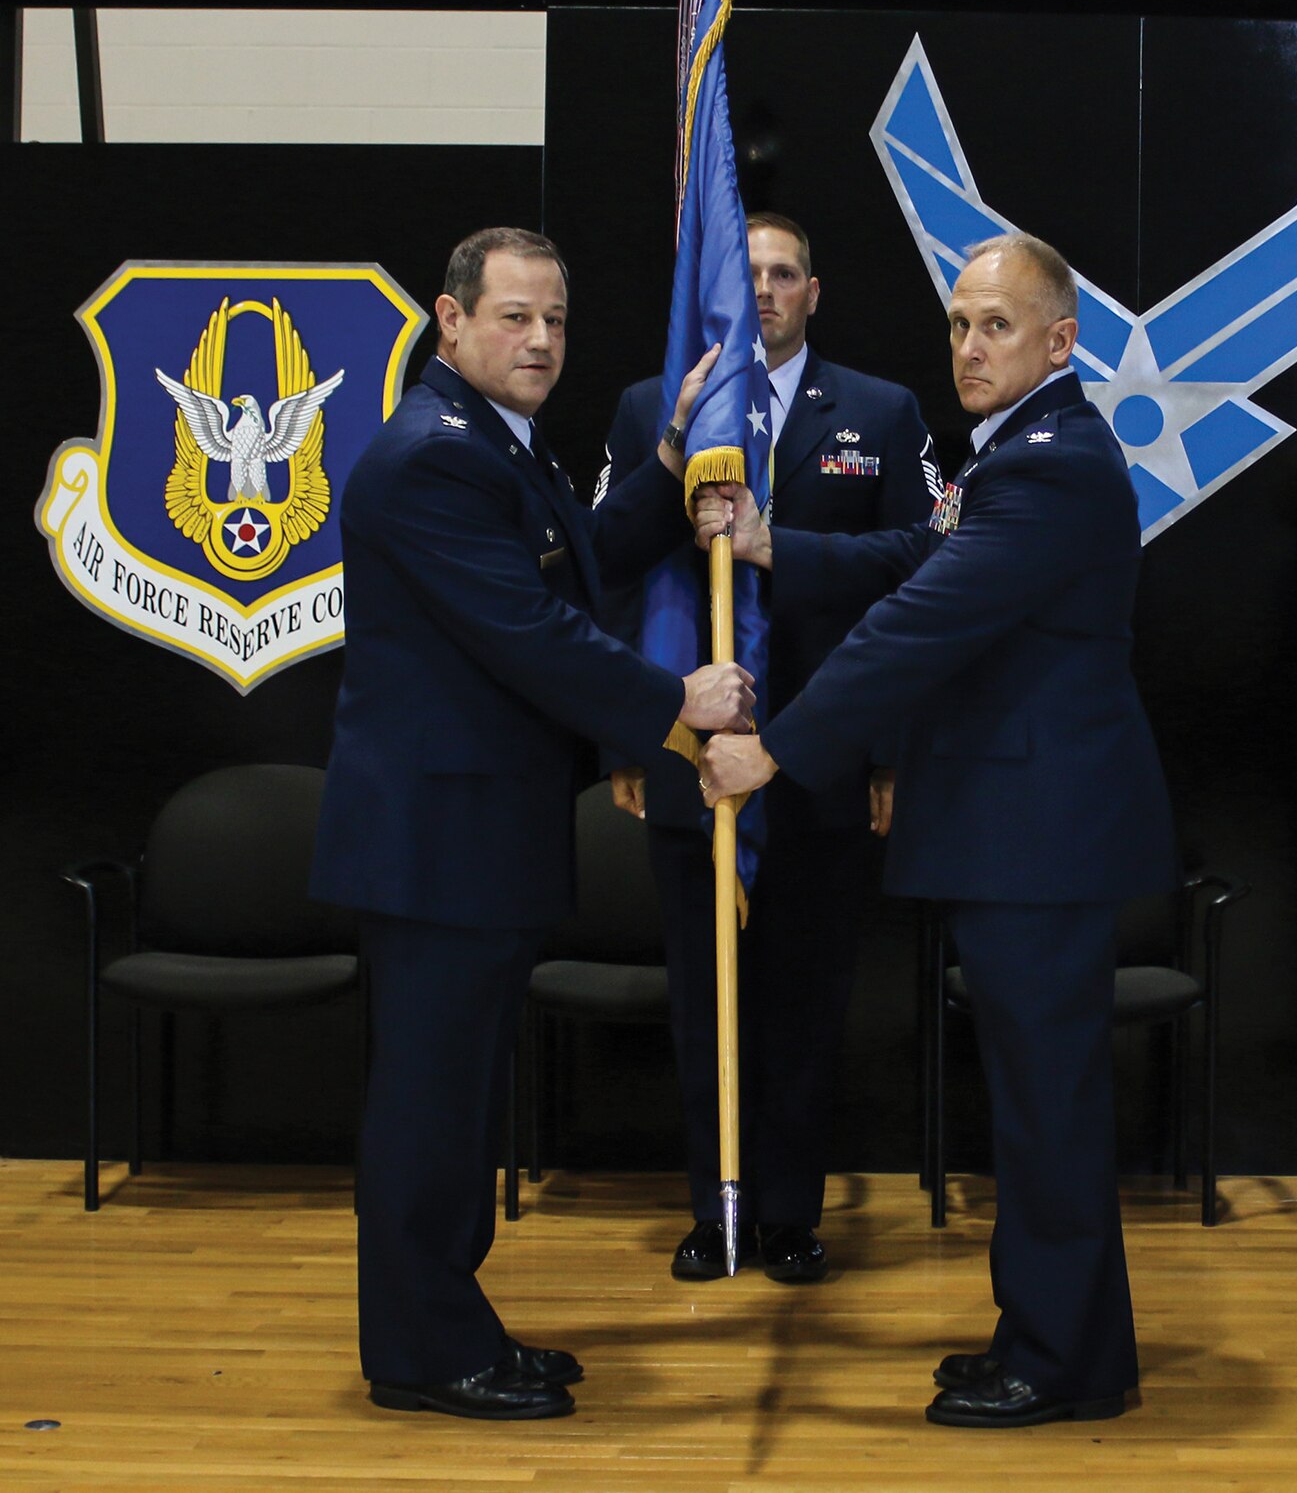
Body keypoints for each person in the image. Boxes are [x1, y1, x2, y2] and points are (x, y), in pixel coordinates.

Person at [694, 233, 1177, 1428]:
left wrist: (778, 747)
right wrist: (771, 544)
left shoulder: (1050, 464)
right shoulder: (1020, 450)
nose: (967, 345)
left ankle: (1062, 1362)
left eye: (995, 326)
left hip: (1040, 831)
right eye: (958, 322)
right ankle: (1049, 1332)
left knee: (1047, 1103)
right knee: (1029, 1097)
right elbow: (919, 549)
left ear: (1059, 342)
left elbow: (918, 619)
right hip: (1017, 826)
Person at [311, 227, 754, 1422]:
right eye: (513, 316)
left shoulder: (501, 447)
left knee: (458, 1100)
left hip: (476, 837)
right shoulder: (430, 458)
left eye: (554, 318)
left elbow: (588, 559)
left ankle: (448, 1321)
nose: (541, 340)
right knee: (430, 1105)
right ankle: (422, 1351)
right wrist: (677, 704)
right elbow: (529, 630)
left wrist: (668, 456)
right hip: (436, 842)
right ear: (447, 322)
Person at [599, 212, 940, 1283]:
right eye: (743, 276)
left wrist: (883, 749)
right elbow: (614, 576)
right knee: (704, 995)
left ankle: (789, 1211)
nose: (763, 293)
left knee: (805, 995)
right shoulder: (654, 406)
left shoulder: (879, 411)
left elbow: (919, 568)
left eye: (782, 273)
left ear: (813, 290)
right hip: (689, 749)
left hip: (823, 753)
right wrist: (625, 732)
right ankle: (716, 1208)